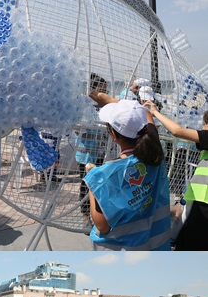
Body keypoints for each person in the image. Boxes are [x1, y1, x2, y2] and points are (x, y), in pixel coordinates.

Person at [84, 99, 171, 250]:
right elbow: (152, 132)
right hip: (158, 246)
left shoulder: (103, 175)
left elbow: (101, 225)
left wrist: (92, 182)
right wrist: (145, 111)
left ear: (113, 135)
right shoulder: (156, 157)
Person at [145, 105, 208, 250]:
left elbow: (177, 131)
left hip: (204, 204)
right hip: (198, 199)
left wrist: (154, 113)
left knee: (191, 243)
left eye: (206, 123)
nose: (204, 127)